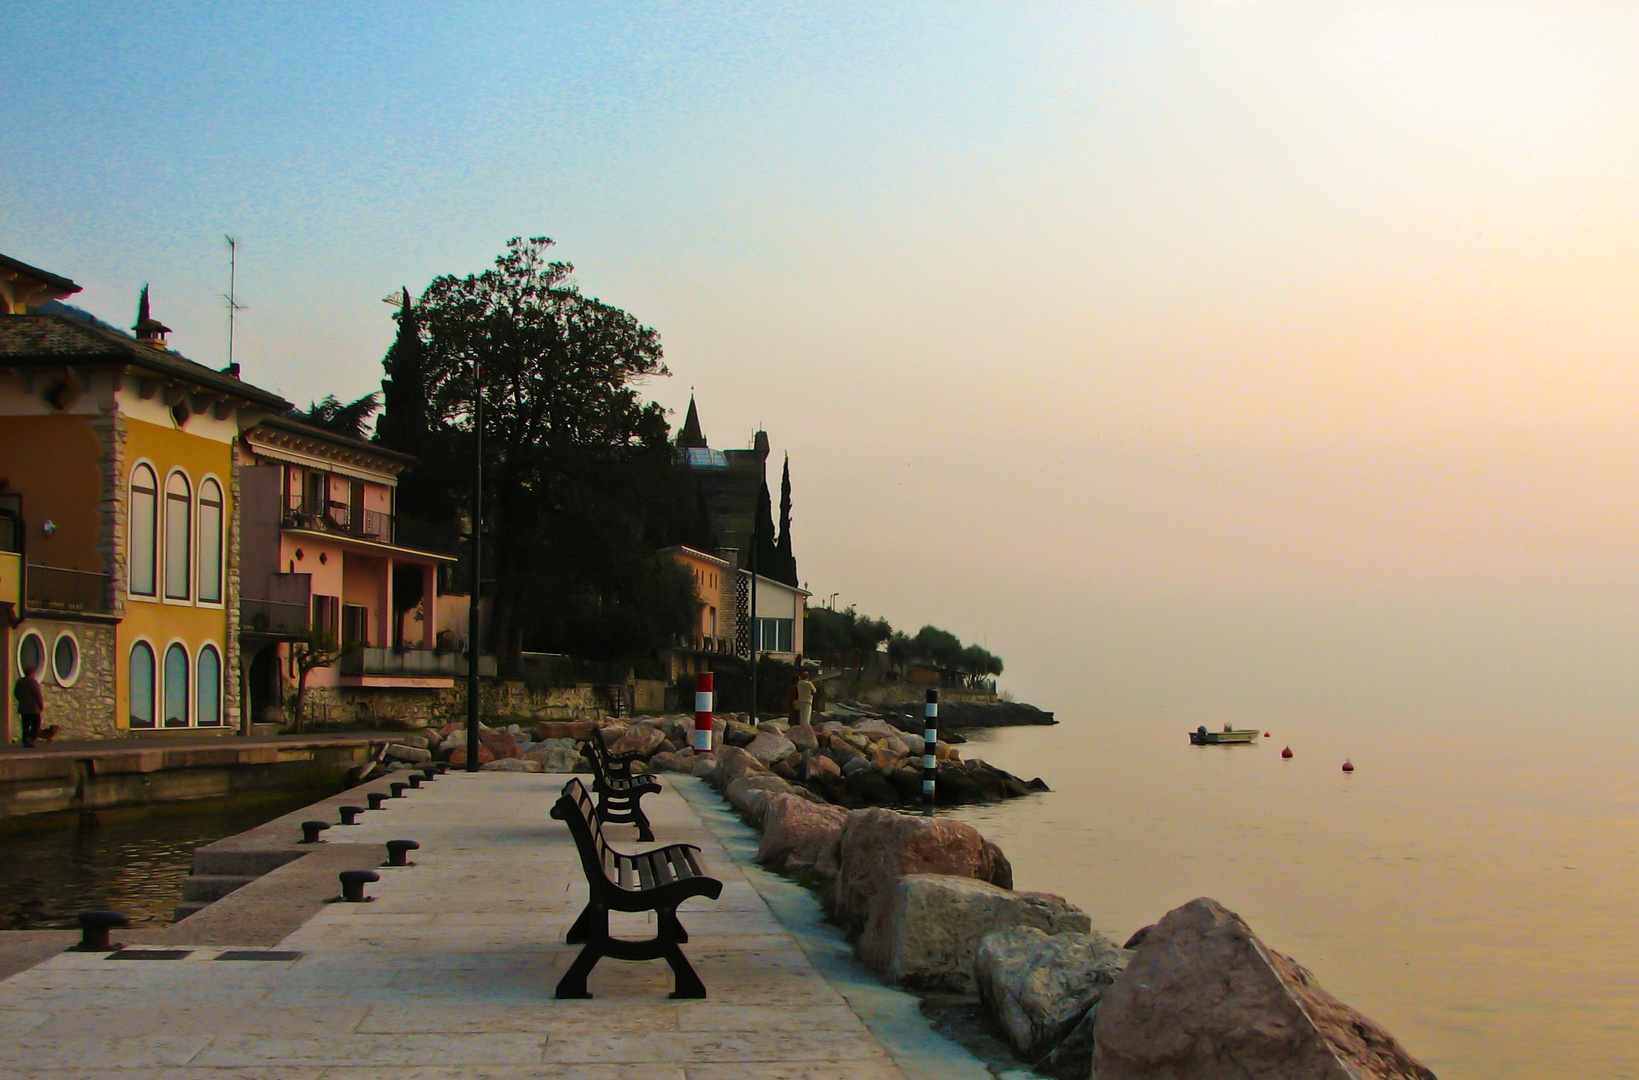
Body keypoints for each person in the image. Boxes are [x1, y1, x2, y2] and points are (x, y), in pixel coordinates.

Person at [13, 669, 43, 748]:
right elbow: (37, 695)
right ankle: (30, 738)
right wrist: (41, 705)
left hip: (23, 707)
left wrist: (21, 700)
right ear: (31, 673)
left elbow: (16, 693)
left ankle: (25, 738)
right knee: (36, 723)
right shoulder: (33, 682)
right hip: (33, 708)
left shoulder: (20, 682)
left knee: (25, 725)